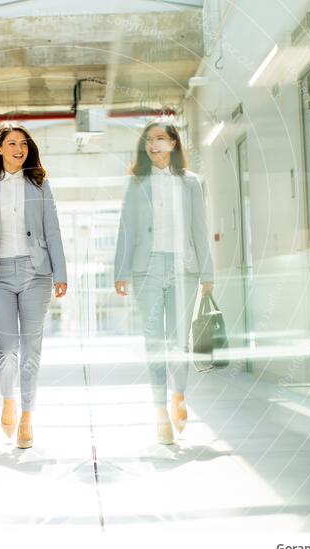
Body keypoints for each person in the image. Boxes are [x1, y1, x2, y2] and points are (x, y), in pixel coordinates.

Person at [0, 122, 68, 449]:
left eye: (23, 143)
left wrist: (61, 273)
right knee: (7, 348)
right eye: (12, 143)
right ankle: (7, 399)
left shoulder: (39, 184)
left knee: (31, 348)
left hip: (36, 272)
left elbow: (52, 231)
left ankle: (27, 415)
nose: (19, 149)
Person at [113, 122, 214, 445]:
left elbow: (200, 228)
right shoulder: (136, 183)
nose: (153, 145)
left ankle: (179, 395)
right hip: (147, 267)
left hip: (184, 266)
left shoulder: (191, 184)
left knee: (178, 340)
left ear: (173, 143)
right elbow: (126, 228)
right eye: (148, 140)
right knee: (155, 341)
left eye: (160, 139)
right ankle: (160, 412)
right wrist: (121, 270)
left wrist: (207, 273)